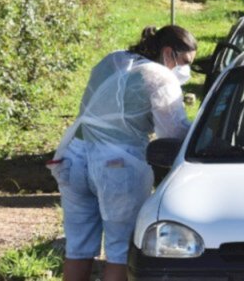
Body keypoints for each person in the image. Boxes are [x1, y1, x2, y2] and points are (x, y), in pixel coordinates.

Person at [49, 25, 197, 281]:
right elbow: (172, 133)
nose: (185, 70)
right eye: (184, 62)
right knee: (120, 252)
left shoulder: (113, 59)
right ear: (168, 52)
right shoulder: (161, 77)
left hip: (74, 155)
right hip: (117, 165)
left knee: (77, 249)